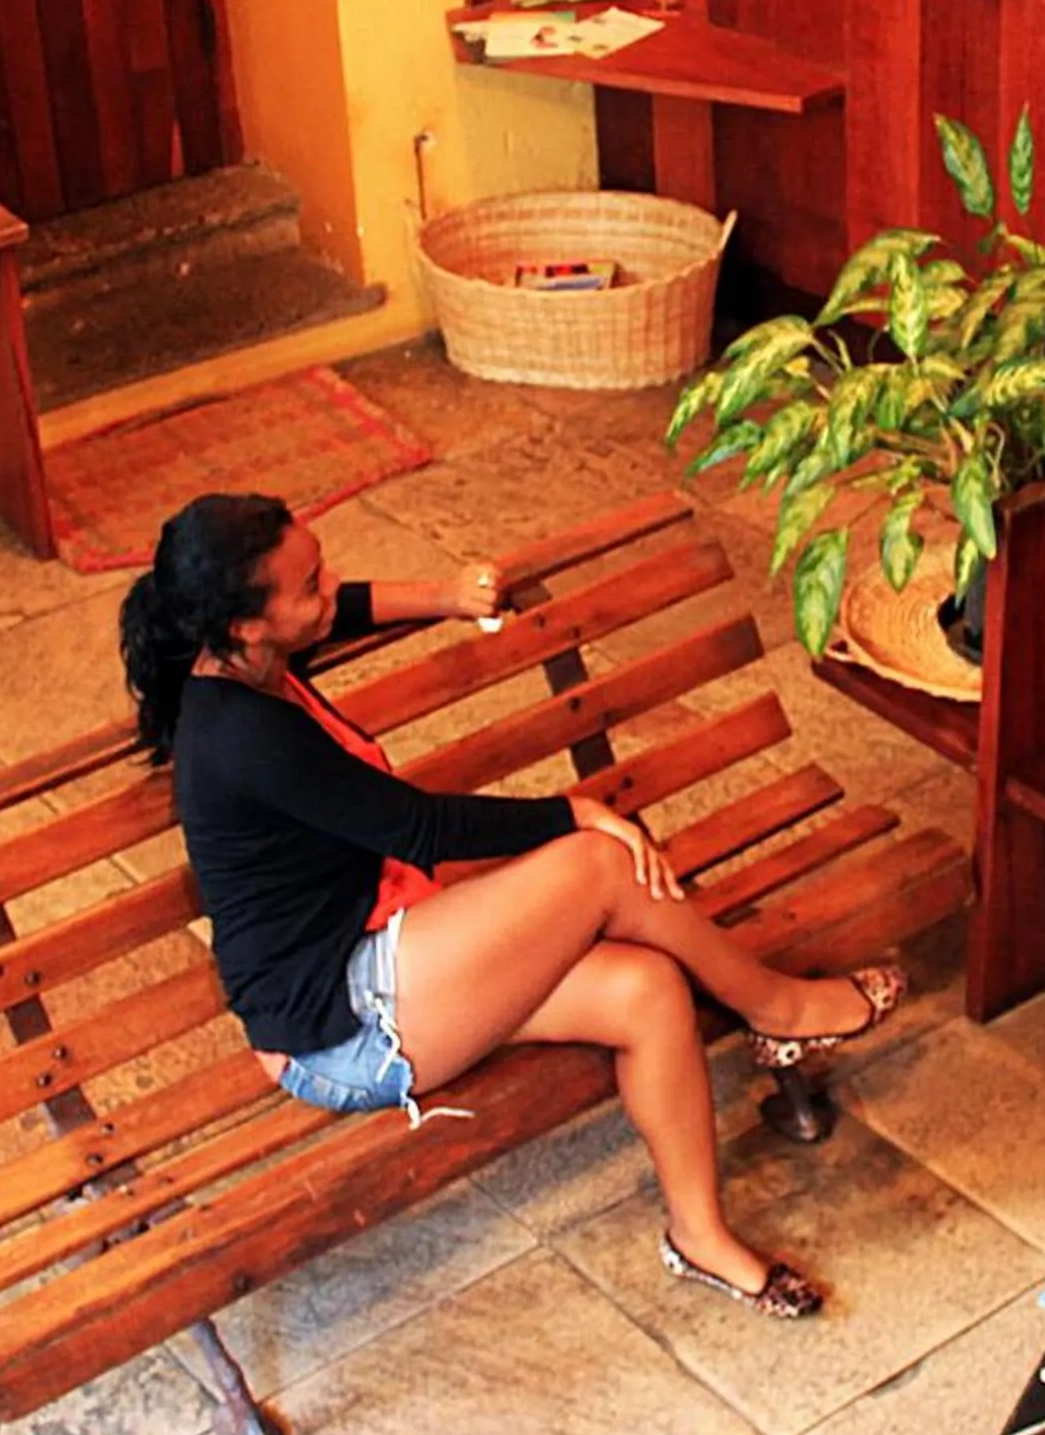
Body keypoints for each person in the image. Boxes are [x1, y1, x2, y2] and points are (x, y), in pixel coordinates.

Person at [118, 494, 904, 1319]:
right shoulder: (241, 734)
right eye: (310, 582)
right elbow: (416, 826)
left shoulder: (248, 655)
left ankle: (698, 1234)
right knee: (602, 862)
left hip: (391, 949)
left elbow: (337, 612)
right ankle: (776, 1008)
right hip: (342, 1026)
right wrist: (573, 811)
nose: (333, 585)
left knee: (647, 991)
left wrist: (446, 596)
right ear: (246, 625)